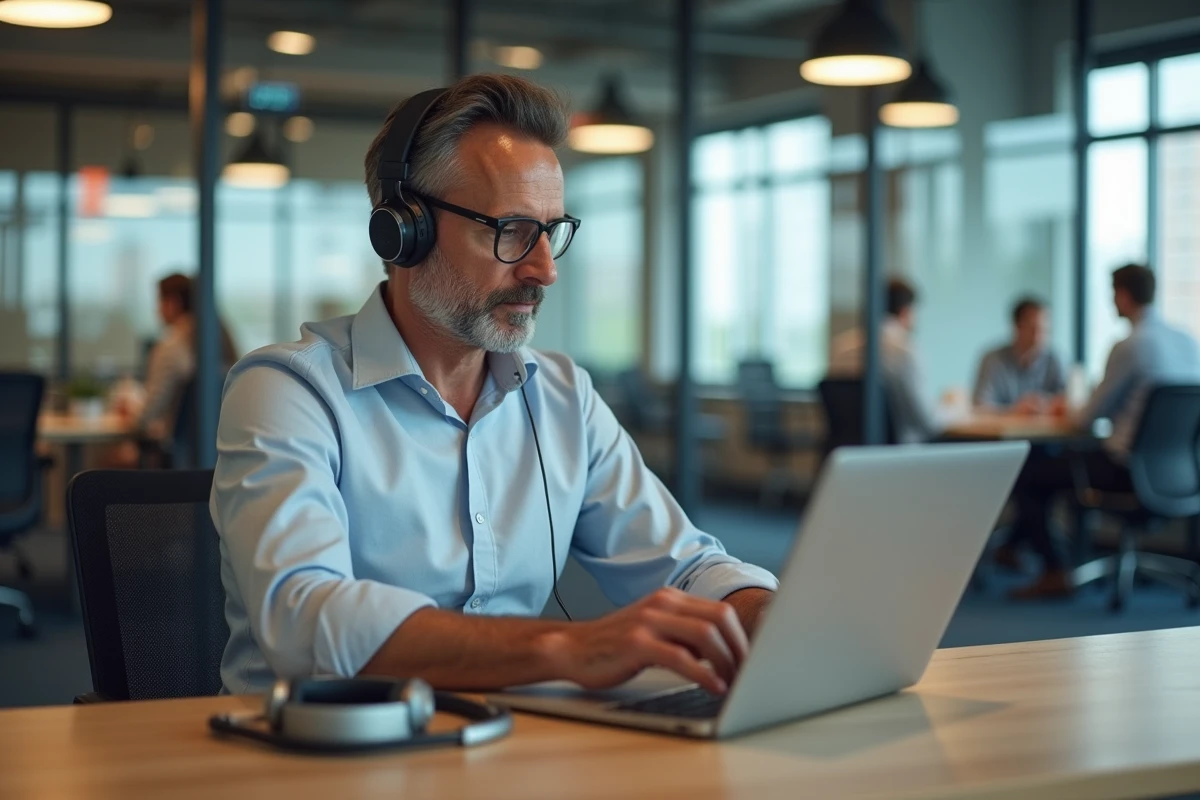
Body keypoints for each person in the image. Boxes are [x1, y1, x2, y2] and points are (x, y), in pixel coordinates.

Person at [210, 75, 777, 696]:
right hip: (319, 762)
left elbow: (686, 567)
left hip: (507, 749)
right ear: (405, 230)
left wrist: (767, 616)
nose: (545, 270)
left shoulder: (561, 395)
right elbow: (305, 618)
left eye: (551, 231)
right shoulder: (289, 392)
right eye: (511, 231)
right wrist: (569, 646)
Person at [1007, 264, 1200, 599]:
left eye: (1113, 294)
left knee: (1031, 474)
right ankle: (1013, 552)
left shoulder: (1131, 345)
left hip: (1126, 472)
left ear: (1123, 296)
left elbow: (1087, 419)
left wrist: (1062, 407)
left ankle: (1054, 571)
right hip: (1182, 473)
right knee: (1054, 465)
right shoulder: (1187, 341)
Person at [109, 273, 239, 466]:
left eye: (159, 302)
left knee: (109, 460)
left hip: (177, 459)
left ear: (173, 303)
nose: (157, 310)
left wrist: (131, 410)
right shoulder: (220, 341)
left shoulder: (172, 346)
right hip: (221, 457)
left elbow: (147, 417)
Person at [829, 277, 941, 443]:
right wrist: (953, 412)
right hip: (897, 455)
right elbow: (925, 421)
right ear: (905, 311)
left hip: (849, 453)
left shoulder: (841, 347)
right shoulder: (905, 350)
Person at [973, 297, 1065, 414]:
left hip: (1048, 431)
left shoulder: (1055, 360)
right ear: (1017, 327)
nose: (1040, 338)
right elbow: (980, 407)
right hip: (1002, 431)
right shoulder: (993, 360)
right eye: (1034, 329)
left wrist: (1046, 404)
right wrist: (1013, 410)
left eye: (1045, 330)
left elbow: (1066, 399)